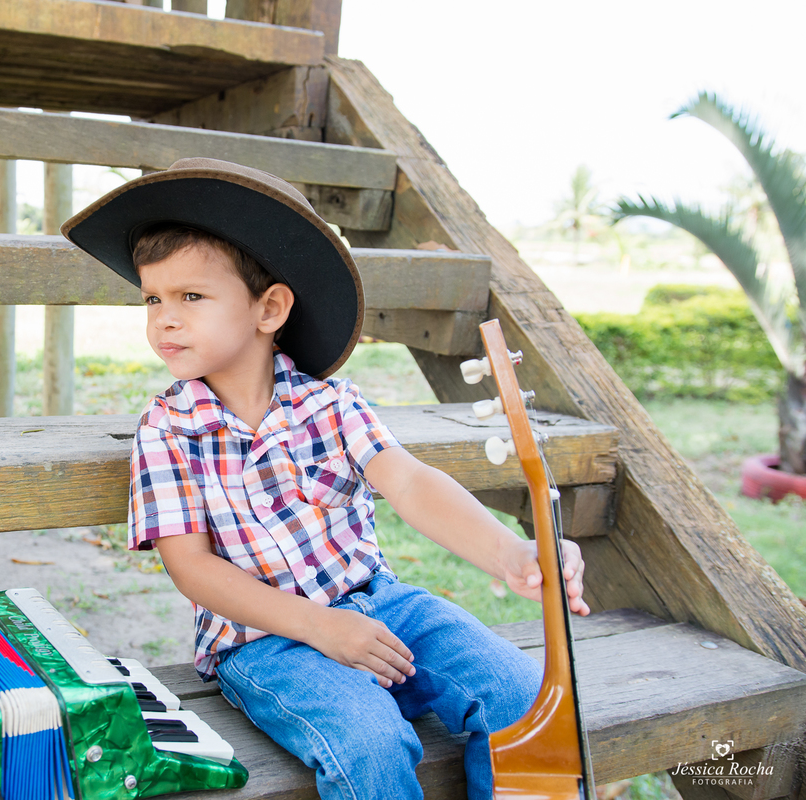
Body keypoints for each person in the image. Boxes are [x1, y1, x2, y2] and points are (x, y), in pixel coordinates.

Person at [62, 157, 589, 800]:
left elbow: (412, 483)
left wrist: (508, 551)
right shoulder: (168, 428)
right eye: (153, 299)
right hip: (265, 642)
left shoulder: (332, 404)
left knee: (521, 694)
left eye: (190, 297)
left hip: (381, 603)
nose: (163, 319)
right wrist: (318, 627)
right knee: (369, 741)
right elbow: (192, 570)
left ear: (270, 308)